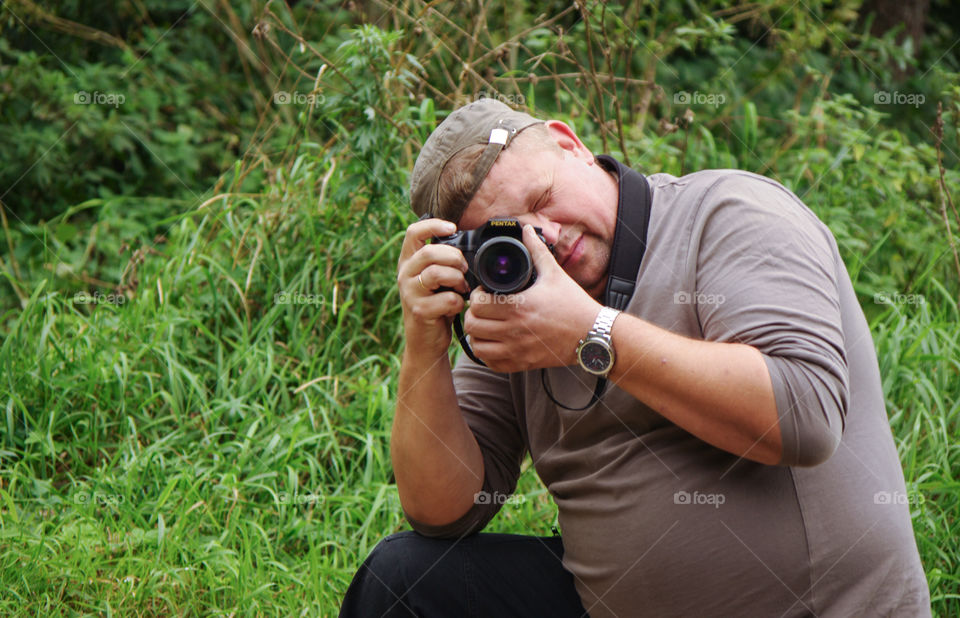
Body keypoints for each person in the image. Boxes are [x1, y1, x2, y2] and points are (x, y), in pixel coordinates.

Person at [339, 99, 930, 617]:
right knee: (405, 580)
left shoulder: (726, 212)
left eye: (543, 198)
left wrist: (587, 333)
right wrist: (425, 343)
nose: (545, 235)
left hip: (815, 608)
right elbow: (445, 513)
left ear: (572, 144)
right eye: (509, 235)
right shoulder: (513, 302)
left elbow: (804, 416)